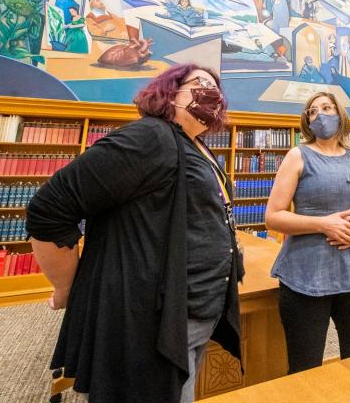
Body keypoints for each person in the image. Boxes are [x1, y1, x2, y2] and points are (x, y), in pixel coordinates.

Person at [25, 64, 243, 403]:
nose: (210, 91)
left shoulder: (198, 146)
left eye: (216, 87)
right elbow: (49, 208)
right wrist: (69, 286)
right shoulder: (150, 137)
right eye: (198, 83)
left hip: (199, 309)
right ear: (169, 91)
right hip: (153, 319)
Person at [265, 92, 350, 374]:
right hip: (306, 277)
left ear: (340, 114)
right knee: (305, 369)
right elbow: (273, 216)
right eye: (313, 111)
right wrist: (323, 224)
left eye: (327, 108)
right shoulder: (297, 155)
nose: (320, 114)